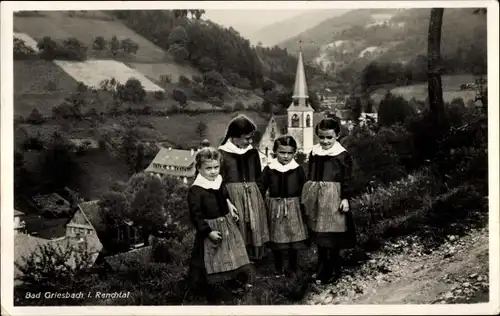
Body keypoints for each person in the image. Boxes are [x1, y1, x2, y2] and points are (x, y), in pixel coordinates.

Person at [186, 147, 253, 303]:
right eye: (208, 168)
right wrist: (208, 232)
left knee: (231, 253)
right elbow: (196, 216)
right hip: (210, 228)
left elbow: (224, 195)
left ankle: (233, 281)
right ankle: (208, 288)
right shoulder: (196, 190)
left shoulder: (218, 181)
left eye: (216, 167)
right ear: (199, 168)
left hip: (226, 223)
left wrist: (229, 205)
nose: (213, 172)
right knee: (208, 259)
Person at [301, 118, 356, 285]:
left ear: (337, 136)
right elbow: (311, 174)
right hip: (317, 196)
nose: (325, 141)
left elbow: (347, 179)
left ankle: (334, 269)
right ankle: (322, 267)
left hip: (334, 197)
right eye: (321, 137)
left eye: (329, 138)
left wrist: (345, 198)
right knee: (320, 234)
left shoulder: (342, 155)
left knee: (332, 235)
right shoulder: (315, 152)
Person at [218, 114, 270, 261]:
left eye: (251, 138)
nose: (250, 141)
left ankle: (255, 258)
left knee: (253, 227)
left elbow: (258, 176)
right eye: (247, 138)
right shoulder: (222, 154)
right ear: (234, 137)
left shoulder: (252, 153)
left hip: (253, 196)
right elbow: (218, 181)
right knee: (238, 226)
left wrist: (257, 196)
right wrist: (226, 201)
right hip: (233, 198)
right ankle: (239, 259)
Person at [258, 136, 308, 277]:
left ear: (294, 153)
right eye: (282, 152)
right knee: (277, 237)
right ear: (275, 152)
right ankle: (278, 267)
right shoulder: (269, 169)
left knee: (293, 236)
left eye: (289, 153)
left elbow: (304, 187)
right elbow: (261, 186)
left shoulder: (298, 170)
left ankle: (292, 267)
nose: (286, 156)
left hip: (293, 206)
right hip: (275, 206)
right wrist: (261, 203)